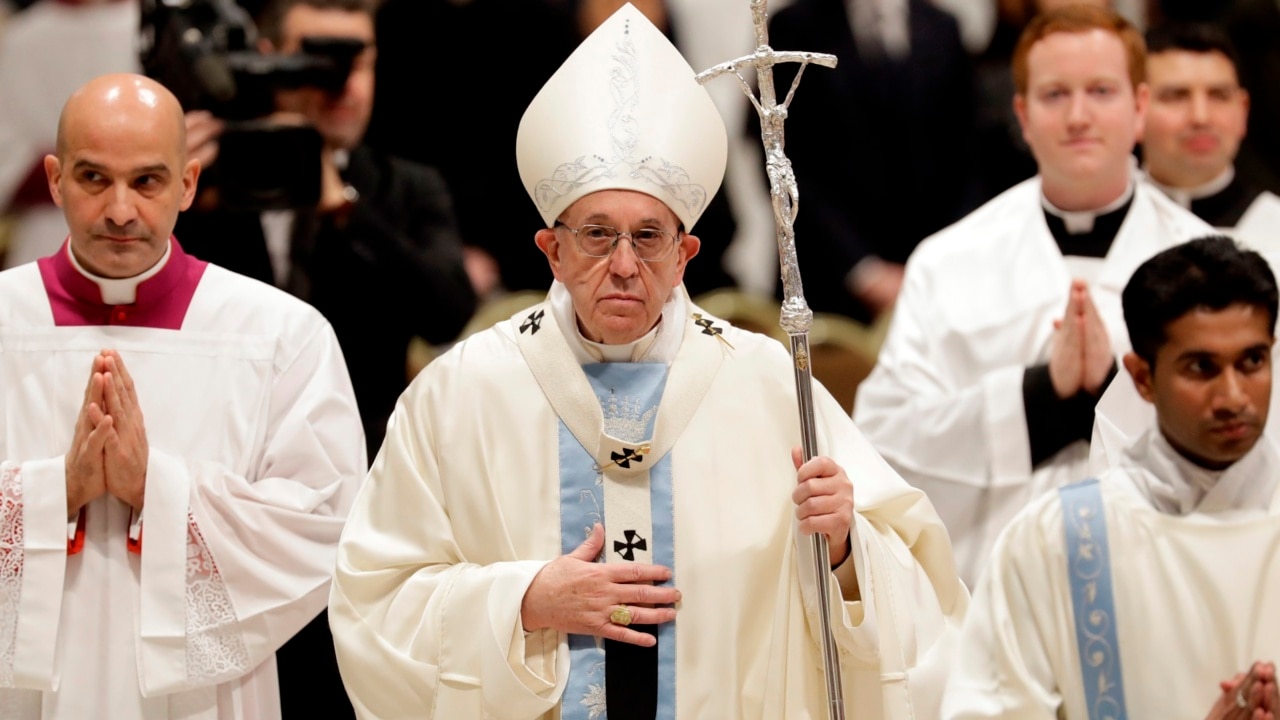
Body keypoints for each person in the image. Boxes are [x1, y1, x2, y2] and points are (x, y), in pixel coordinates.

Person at [328, 5, 967, 718]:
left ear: (686, 254)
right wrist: (526, 600)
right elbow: (372, 598)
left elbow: (921, 608)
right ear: (553, 251)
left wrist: (847, 548)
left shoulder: (764, 384)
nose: (625, 265)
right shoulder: (463, 393)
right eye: (598, 236)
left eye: (650, 237)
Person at [0, 73, 365, 719]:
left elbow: (327, 523)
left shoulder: (279, 333)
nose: (119, 210)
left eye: (147, 181)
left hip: (200, 700)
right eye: (92, 179)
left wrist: (157, 490)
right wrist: (58, 490)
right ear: (54, 179)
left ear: (188, 183)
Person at [853, 4, 1214, 585]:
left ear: (1140, 107)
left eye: (1100, 90)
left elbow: (1254, 439)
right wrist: (1040, 396)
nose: (1078, 115)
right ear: (1022, 114)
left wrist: (1111, 390)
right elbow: (884, 438)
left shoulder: (1209, 267)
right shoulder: (949, 261)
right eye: (1053, 95)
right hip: (995, 590)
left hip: (1165, 585)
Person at [942, 235, 1280, 719]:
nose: (1232, 396)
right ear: (1142, 377)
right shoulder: (1058, 540)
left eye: (1252, 361)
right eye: (1201, 367)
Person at [173, 0, 477, 460]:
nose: (343, 86)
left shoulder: (406, 187)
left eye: (358, 63)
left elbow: (448, 313)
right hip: (217, 451)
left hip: (365, 459)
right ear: (268, 58)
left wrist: (346, 210)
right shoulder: (210, 177)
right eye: (318, 61)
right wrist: (162, 187)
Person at [765, 0, 981, 322]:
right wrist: (861, 269)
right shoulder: (793, 27)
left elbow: (968, 157)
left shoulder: (942, 27)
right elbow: (781, 158)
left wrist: (938, 264)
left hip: (936, 287)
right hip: (828, 286)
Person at [0, 0, 139, 269]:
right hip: (47, 237)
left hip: (143, 231)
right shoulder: (24, 39)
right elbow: (9, 164)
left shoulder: (156, 28)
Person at [1141, 22, 1280, 253]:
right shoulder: (1104, 229)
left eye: (1219, 95)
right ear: (1136, 108)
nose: (1200, 117)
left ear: (1243, 109)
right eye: (1176, 96)